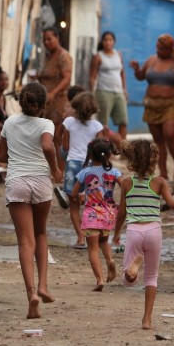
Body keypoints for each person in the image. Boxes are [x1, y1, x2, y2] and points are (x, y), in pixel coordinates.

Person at [0, 82, 63, 319]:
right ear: (43, 105)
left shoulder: (9, 123)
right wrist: (55, 169)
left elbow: (2, 157)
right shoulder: (46, 123)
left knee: (25, 242)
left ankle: (31, 294)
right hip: (41, 182)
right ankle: (44, 285)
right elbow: (47, 145)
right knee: (41, 234)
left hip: (17, 183)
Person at [113, 139, 174, 330]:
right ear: (154, 160)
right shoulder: (159, 182)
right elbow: (172, 204)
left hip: (134, 230)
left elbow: (122, 213)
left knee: (127, 280)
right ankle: (147, 320)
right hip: (154, 231)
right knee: (151, 277)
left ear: (132, 159)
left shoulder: (126, 183)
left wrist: (116, 233)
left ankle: (132, 269)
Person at [129, 34, 174, 180]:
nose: (158, 50)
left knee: (169, 134)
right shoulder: (152, 60)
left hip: (171, 103)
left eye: (162, 48)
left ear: (170, 49)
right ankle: (163, 172)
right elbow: (141, 76)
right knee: (158, 140)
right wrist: (137, 69)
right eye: (157, 47)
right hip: (152, 103)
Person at [71, 139, 123, 291]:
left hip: (91, 215)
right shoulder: (114, 172)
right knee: (103, 242)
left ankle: (99, 280)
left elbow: (74, 194)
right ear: (108, 154)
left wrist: (81, 195)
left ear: (90, 155)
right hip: (108, 214)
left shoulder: (85, 172)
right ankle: (110, 260)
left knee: (92, 248)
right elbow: (125, 186)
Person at [62, 91, 104, 249]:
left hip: (73, 164)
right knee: (92, 203)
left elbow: (65, 146)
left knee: (73, 206)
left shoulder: (68, 123)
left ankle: (80, 238)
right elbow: (100, 150)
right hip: (91, 166)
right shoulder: (97, 126)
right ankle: (93, 237)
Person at [38, 26, 73, 171]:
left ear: (57, 38)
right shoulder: (48, 56)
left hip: (58, 102)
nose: (47, 42)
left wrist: (53, 92)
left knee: (57, 137)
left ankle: (59, 169)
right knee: (48, 136)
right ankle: (53, 168)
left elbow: (67, 78)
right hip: (47, 103)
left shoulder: (63, 55)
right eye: (44, 40)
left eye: (50, 39)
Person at [89, 31, 129, 144]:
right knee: (103, 124)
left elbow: (122, 73)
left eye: (110, 40)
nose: (107, 42)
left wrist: (124, 90)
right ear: (102, 42)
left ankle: (123, 151)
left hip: (118, 92)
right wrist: (92, 93)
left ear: (114, 42)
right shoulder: (98, 56)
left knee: (123, 121)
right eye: (105, 40)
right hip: (103, 92)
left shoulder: (118, 55)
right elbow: (92, 76)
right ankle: (103, 150)